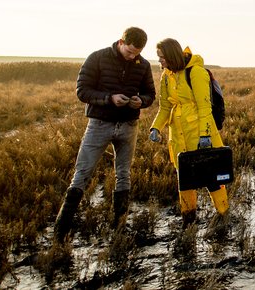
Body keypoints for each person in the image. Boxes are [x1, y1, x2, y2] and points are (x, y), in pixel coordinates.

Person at [53, 27, 156, 243]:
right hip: (99, 124)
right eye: (129, 52)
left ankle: (119, 227)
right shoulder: (97, 58)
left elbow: (150, 94)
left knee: (124, 174)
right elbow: (82, 91)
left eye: (137, 53)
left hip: (129, 125)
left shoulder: (144, 65)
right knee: (82, 173)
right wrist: (110, 98)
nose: (132, 57)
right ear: (121, 42)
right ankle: (60, 232)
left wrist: (141, 101)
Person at [149, 39, 229, 228]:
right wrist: (155, 127)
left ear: (171, 56)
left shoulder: (196, 72)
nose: (159, 61)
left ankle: (224, 216)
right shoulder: (166, 76)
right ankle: (188, 220)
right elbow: (164, 107)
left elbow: (204, 107)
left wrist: (205, 135)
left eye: (162, 57)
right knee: (184, 180)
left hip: (200, 135)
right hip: (178, 136)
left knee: (213, 179)